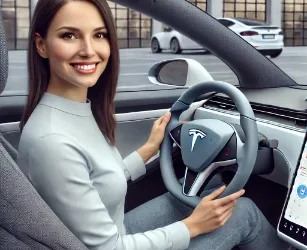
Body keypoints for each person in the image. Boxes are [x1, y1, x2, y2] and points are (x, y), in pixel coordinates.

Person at [17, 0, 291, 249]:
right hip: (113, 244)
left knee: (210, 187)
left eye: (99, 35)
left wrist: (148, 149)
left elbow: (94, 185)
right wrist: (193, 226)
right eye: (69, 35)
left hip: (111, 232)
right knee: (244, 214)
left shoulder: (70, 111)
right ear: (41, 45)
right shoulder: (52, 140)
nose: (89, 50)